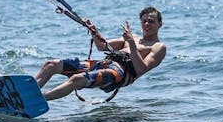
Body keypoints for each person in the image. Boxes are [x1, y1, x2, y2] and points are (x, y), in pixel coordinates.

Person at [34, 6, 167, 101]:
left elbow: (141, 70)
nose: (147, 24)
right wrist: (93, 31)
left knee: (77, 79)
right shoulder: (133, 38)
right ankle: (26, 93)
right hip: (103, 65)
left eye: (151, 21)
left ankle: (38, 100)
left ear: (160, 24)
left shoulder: (158, 47)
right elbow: (102, 46)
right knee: (50, 64)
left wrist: (131, 44)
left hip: (118, 74)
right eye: (144, 21)